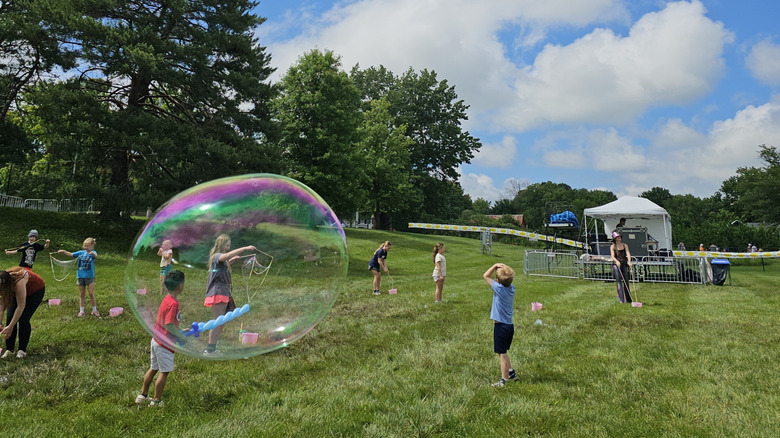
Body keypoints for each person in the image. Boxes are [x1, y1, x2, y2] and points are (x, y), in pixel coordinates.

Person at [136, 270, 187, 407]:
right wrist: (180, 335)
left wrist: (181, 330)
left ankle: (142, 395)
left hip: (156, 340)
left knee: (153, 368)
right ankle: (156, 400)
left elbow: (169, 323)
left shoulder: (167, 299)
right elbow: (169, 324)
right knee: (164, 372)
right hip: (165, 344)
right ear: (180, 286)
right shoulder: (174, 304)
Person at [204, 234, 256, 355]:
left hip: (223, 292)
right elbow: (225, 256)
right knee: (217, 321)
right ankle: (209, 350)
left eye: (229, 245)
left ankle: (212, 348)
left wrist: (230, 262)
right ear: (221, 245)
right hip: (218, 293)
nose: (228, 247)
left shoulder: (222, 260)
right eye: (227, 245)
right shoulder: (217, 256)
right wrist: (246, 248)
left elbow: (222, 267)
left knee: (220, 322)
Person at [483, 263, 518, 388]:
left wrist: (494, 266)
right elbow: (506, 278)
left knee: (502, 354)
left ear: (497, 281)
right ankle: (511, 372)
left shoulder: (498, 289)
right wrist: (505, 269)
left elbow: (485, 276)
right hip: (509, 326)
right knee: (503, 351)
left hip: (501, 327)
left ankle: (503, 380)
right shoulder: (512, 289)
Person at [0, 266, 46, 358]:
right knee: (9, 318)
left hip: (35, 291)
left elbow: (21, 306)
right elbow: (1, 306)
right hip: (14, 290)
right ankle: (10, 349)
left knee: (23, 319)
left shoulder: (18, 282)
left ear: (7, 286)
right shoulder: (3, 284)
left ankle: (22, 350)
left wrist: (11, 326)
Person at [58, 237, 99, 317]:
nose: (86, 248)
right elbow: (71, 254)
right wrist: (63, 251)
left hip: (90, 276)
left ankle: (94, 310)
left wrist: (92, 254)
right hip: (80, 276)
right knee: (81, 294)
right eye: (85, 246)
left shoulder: (93, 252)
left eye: (88, 246)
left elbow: (96, 256)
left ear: (92, 246)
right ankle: (81, 311)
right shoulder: (81, 253)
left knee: (91, 292)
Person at [610, 231, 633, 303]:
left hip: (624, 263)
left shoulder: (624, 245)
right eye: (617, 237)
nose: (619, 238)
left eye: (619, 236)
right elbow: (613, 256)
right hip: (616, 265)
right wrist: (617, 261)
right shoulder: (613, 246)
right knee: (619, 282)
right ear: (614, 238)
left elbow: (628, 253)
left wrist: (629, 261)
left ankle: (629, 299)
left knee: (626, 281)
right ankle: (622, 300)